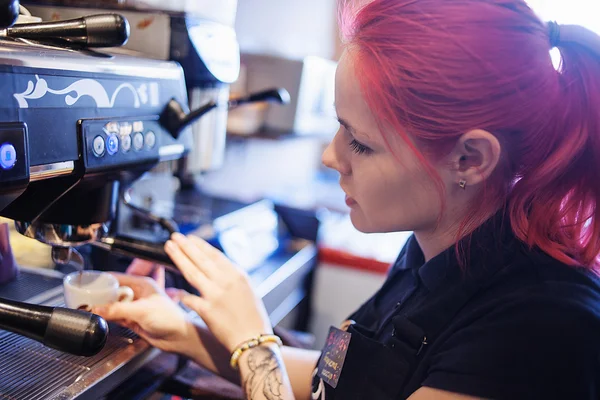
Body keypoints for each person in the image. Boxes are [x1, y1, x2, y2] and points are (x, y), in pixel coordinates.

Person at [93, 0, 600, 398]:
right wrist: (182, 328)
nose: (332, 158)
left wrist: (253, 342)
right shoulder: (438, 250)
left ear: (469, 159)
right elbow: (337, 381)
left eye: (359, 141)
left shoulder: (540, 329)